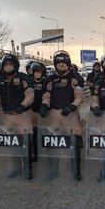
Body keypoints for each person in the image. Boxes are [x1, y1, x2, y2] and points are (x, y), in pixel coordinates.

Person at [39, 50, 84, 181]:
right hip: (54, 114)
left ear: (68, 63)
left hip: (70, 114)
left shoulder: (76, 78)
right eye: (59, 63)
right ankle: (53, 170)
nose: (61, 65)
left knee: (74, 143)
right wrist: (44, 105)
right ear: (55, 64)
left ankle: (75, 171)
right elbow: (46, 96)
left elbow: (79, 96)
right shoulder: (50, 79)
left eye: (64, 62)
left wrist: (72, 106)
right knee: (53, 143)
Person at [0, 53, 35, 180]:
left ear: (15, 65)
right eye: (6, 64)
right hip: (7, 116)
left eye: (10, 64)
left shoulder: (24, 78)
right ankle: (16, 168)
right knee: (12, 144)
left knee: (26, 142)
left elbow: (30, 94)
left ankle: (27, 169)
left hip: (22, 115)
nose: (8, 66)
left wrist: (23, 104)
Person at [30, 61, 48, 162]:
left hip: (43, 112)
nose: (36, 73)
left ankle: (46, 152)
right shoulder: (29, 82)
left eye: (38, 71)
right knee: (34, 135)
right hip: (33, 112)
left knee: (45, 134)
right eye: (35, 71)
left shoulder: (46, 82)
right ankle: (36, 153)